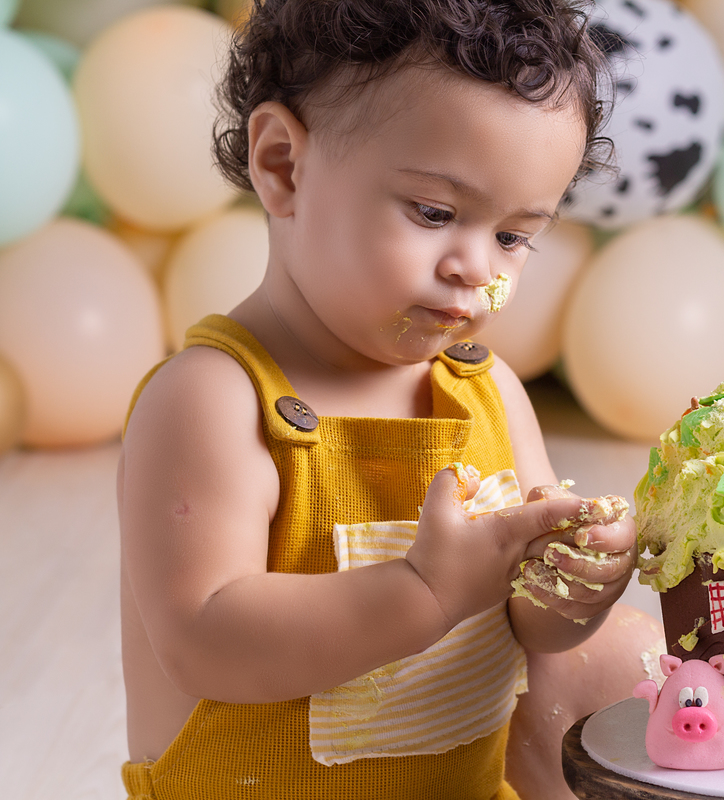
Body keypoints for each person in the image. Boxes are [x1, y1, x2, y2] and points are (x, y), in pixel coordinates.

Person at [116, 1, 664, 798]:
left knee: (629, 658)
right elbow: (205, 641)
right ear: (284, 166)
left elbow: (530, 629)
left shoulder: (486, 393)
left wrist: (573, 587)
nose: (477, 267)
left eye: (513, 236)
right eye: (435, 213)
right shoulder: (215, 399)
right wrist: (425, 592)